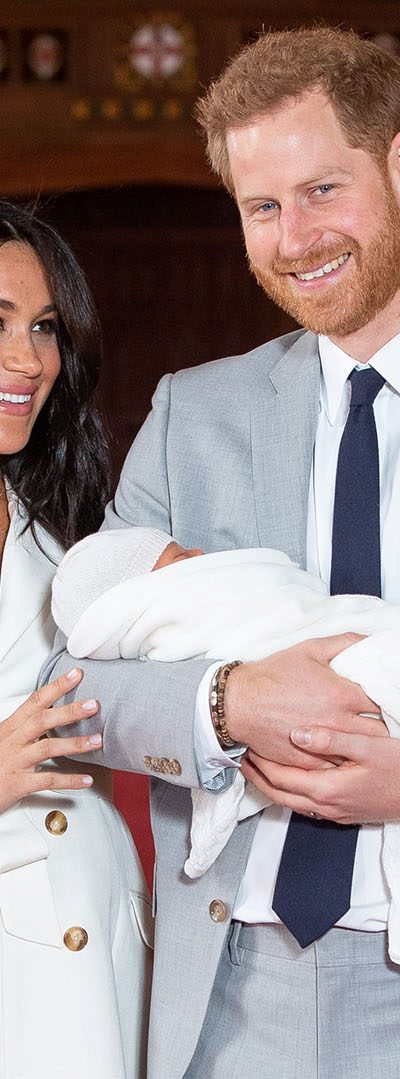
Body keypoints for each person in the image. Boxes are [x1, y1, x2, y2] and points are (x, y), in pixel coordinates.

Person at [41, 24, 400, 1078]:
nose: (296, 238)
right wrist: (224, 702)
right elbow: (78, 674)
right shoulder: (193, 414)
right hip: (235, 994)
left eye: (322, 189)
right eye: (261, 206)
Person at [0, 201, 152, 1079]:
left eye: (45, 326)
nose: (29, 359)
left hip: (101, 957)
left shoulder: (62, 531)